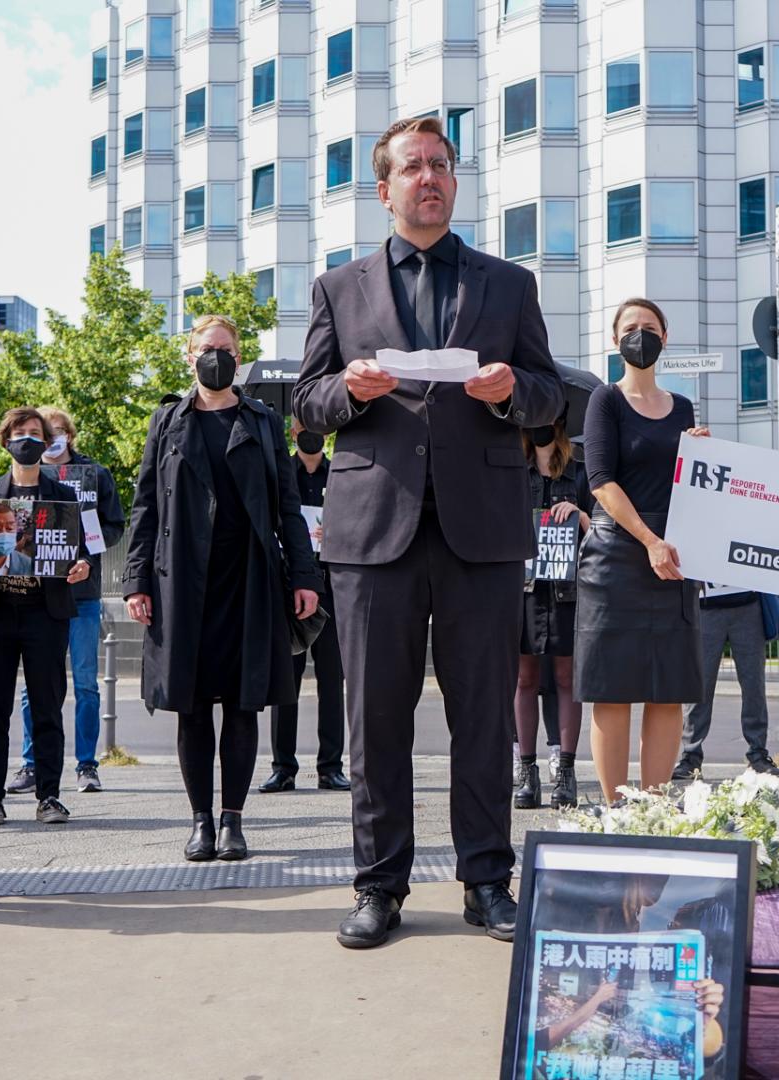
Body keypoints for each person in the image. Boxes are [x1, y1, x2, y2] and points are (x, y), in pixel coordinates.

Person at [293, 115, 564, 948]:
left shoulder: (508, 285)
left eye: (440, 165)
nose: (429, 177)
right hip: (373, 531)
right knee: (377, 720)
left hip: (481, 531)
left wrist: (513, 390)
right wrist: (352, 391)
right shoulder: (340, 289)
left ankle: (487, 882)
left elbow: (552, 398)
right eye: (412, 166)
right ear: (385, 189)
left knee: (483, 716)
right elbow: (304, 405)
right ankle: (379, 886)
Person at [126, 314, 322, 864]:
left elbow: (287, 506)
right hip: (182, 583)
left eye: (227, 349)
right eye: (208, 349)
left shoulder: (261, 420)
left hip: (250, 579)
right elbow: (146, 507)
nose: (218, 357)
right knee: (190, 707)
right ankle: (200, 823)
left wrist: (303, 578)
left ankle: (232, 821)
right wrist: (136, 578)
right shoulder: (167, 420)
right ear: (190, 357)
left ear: (240, 356)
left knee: (243, 705)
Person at [578, 298, 707, 804]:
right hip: (616, 555)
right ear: (616, 341)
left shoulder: (682, 408)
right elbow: (600, 481)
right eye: (630, 328)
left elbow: (685, 486)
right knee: (612, 691)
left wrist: (700, 455)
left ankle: (653, 812)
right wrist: (649, 541)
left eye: (649, 327)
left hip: (671, 560)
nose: (640, 335)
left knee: (667, 689)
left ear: (665, 337)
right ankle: (615, 811)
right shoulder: (604, 401)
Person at [0, 407, 91, 827]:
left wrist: (81, 565)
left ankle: (49, 796)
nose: (28, 440)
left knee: (48, 706)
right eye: (20, 433)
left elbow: (78, 549)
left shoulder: (63, 496)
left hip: (45, 613)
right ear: (6, 441)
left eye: (36, 433)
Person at [7, 406, 125, 795]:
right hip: (38, 595)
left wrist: (88, 550)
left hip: (83, 596)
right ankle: (30, 762)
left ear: (69, 436)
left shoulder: (96, 476)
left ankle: (87, 765)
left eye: (56, 432)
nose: (50, 440)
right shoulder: (23, 478)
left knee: (87, 683)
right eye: (44, 433)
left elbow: (114, 526)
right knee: (34, 686)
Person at [263, 416, 349, 793]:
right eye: (303, 429)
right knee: (286, 681)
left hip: (333, 587)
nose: (311, 436)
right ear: (293, 433)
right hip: (290, 588)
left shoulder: (341, 475)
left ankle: (330, 766)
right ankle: (283, 767)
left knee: (333, 681)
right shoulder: (283, 476)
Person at [514, 416, 588, 810]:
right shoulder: (513, 470)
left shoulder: (580, 473)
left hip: (567, 591)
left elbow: (602, 529)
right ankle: (527, 772)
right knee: (524, 678)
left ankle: (566, 770)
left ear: (558, 423)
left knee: (565, 677)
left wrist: (579, 516)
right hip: (523, 591)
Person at [675, 584, 779, 784]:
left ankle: (758, 755)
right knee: (698, 687)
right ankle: (691, 757)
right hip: (704, 605)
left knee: (754, 686)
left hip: (748, 605)